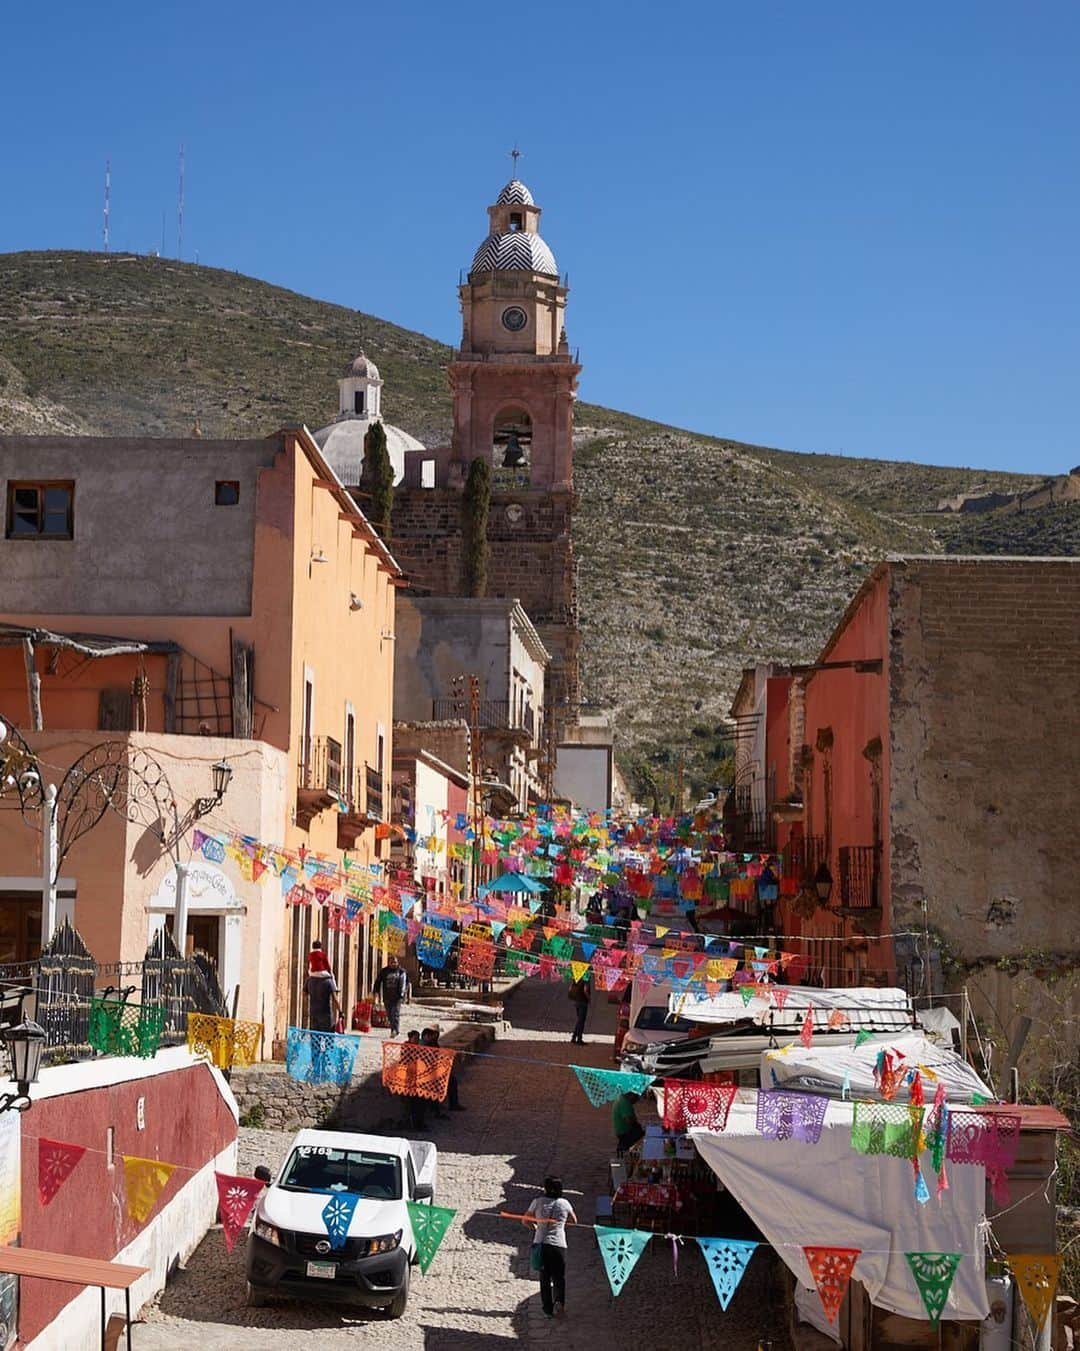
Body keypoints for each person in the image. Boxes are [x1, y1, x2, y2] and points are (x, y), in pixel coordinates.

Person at [524, 1176, 577, 1319]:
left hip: (541, 1243)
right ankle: (559, 1301)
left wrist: (536, 1228)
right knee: (559, 1277)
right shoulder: (564, 1203)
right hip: (559, 1244)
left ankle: (548, 1309)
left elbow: (525, 1220)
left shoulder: (537, 1202)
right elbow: (574, 1220)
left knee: (545, 1278)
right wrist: (561, 1226)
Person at [372, 954, 410, 1037]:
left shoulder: (402, 972)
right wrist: (376, 993)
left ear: (397, 962)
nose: (393, 964)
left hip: (397, 997)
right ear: (389, 963)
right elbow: (378, 982)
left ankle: (395, 1030)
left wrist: (404, 994)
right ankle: (393, 1028)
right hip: (387, 997)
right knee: (389, 1014)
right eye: (391, 962)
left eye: (395, 962)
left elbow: (406, 984)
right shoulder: (384, 971)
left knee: (395, 1013)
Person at [303, 961, 342, 1033]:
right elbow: (335, 999)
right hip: (326, 1016)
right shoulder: (328, 981)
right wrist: (340, 1011)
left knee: (315, 1040)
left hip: (314, 1014)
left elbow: (304, 994)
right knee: (328, 1040)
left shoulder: (309, 980)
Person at [567, 974, 590, 1045]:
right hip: (583, 1001)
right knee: (581, 1021)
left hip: (577, 1000)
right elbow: (585, 989)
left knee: (579, 1020)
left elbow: (570, 988)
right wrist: (589, 998)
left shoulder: (576, 976)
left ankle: (574, 1037)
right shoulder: (586, 978)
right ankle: (579, 1039)